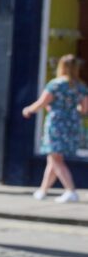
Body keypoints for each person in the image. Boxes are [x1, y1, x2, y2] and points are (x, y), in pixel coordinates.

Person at [23, 54, 86, 203]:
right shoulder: (80, 86)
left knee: (55, 159)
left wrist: (29, 110)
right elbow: (84, 109)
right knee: (53, 159)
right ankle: (43, 190)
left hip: (57, 123)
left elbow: (42, 102)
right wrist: (72, 110)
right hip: (72, 124)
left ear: (62, 67)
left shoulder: (55, 84)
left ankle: (71, 190)